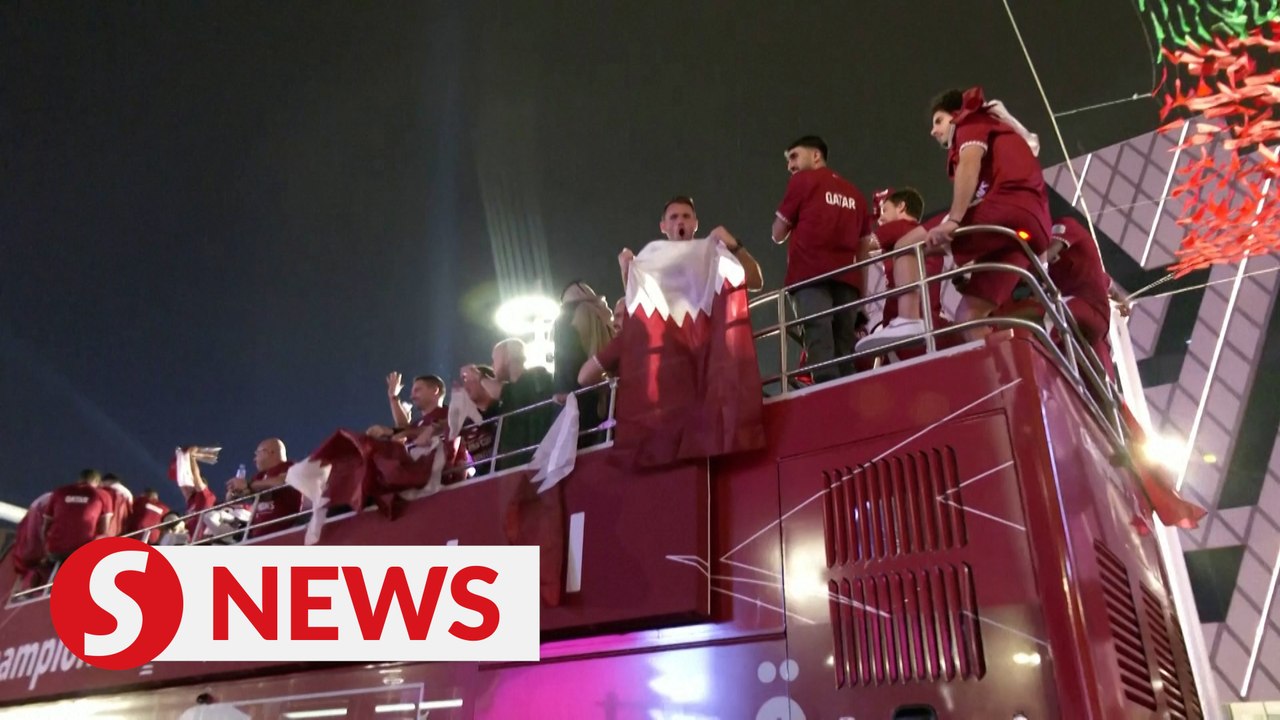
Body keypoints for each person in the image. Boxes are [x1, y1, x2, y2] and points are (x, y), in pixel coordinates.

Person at [910, 87, 1052, 341]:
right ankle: (1018, 364)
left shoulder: (971, 122)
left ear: (956, 115)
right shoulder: (998, 134)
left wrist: (953, 220)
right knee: (969, 317)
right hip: (1029, 229)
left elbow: (969, 163)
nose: (933, 130)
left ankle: (907, 321)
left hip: (1012, 207)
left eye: (939, 121)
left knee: (910, 246)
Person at [770, 136, 872, 381]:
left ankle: (826, 396)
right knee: (844, 347)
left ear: (816, 155)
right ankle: (848, 396)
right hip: (848, 282)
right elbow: (864, 249)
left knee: (819, 338)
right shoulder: (856, 194)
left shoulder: (802, 182)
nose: (790, 166)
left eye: (794, 156)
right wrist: (863, 295)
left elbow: (777, 233)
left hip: (809, 276)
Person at [856, 188, 950, 351]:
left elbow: (861, 246)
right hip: (932, 318)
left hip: (901, 319)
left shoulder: (898, 227)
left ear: (901, 207)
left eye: (885, 210)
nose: (880, 219)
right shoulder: (926, 234)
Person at [618, 196, 764, 292]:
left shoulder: (712, 256)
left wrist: (734, 246)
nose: (680, 221)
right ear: (663, 226)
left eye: (686, 216)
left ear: (695, 224)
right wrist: (627, 271)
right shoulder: (652, 261)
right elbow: (638, 305)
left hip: (707, 336)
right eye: (674, 217)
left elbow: (755, 282)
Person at [464, 338, 555, 470]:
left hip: (537, 461)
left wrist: (479, 377)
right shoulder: (507, 397)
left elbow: (508, 392)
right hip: (513, 467)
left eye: (495, 359)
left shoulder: (538, 375)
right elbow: (486, 413)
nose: (492, 365)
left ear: (507, 357)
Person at [1044, 216, 1116, 377]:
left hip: (1089, 309)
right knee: (1097, 374)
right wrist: (1122, 300)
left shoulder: (1066, 225)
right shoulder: (1081, 265)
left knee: (1052, 312)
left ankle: (1039, 359)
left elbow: (1048, 254)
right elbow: (1107, 281)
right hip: (1091, 327)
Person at [552, 281, 616, 443]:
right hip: (610, 403)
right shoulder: (607, 319)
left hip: (578, 408)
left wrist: (563, 390)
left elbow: (567, 364)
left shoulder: (565, 321)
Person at [227, 438, 300, 538]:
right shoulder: (259, 477)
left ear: (271, 452)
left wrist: (248, 484)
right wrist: (234, 490)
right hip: (258, 535)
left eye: (257, 453)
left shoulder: (290, 467)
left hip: (283, 533)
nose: (254, 459)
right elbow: (233, 499)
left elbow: (282, 481)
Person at [42, 469, 112, 563]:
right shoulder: (103, 495)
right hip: (84, 551)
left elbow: (45, 527)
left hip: (55, 549)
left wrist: (46, 549)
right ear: (97, 482)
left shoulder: (60, 492)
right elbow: (104, 531)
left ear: (80, 479)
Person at [371, 373, 449, 447]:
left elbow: (439, 427)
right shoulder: (417, 424)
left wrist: (394, 431)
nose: (412, 397)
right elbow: (403, 428)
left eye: (417, 390)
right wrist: (393, 397)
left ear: (435, 390)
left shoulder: (449, 414)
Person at [99, 472, 133, 536]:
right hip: (122, 527)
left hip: (108, 525)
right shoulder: (127, 492)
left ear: (108, 481)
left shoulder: (107, 490)